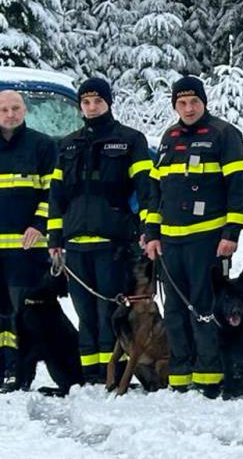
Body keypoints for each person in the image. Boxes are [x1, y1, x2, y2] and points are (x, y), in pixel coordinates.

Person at [145, 76, 243, 396]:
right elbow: (155, 191)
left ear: (204, 102)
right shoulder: (168, 137)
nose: (188, 108)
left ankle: (210, 375)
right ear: (174, 105)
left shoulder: (223, 134)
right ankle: (180, 375)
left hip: (208, 240)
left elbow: (238, 188)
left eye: (194, 102)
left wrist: (232, 233)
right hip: (171, 242)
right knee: (175, 310)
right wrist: (152, 233)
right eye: (182, 103)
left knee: (205, 308)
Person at [48, 77, 152, 383]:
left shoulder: (130, 140)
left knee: (110, 314)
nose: (92, 108)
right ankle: (90, 374)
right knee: (85, 315)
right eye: (86, 102)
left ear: (109, 102)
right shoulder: (67, 144)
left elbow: (146, 190)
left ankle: (113, 374)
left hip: (114, 243)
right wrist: (55, 238)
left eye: (98, 101)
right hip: (76, 244)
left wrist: (149, 229)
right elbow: (56, 196)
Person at [0, 90, 58, 387]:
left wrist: (39, 224)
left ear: (24, 110)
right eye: (4, 109)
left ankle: (18, 373)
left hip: (27, 250)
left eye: (15, 108)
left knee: (20, 316)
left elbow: (52, 193)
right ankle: (4, 369)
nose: (10, 114)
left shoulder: (42, 145)